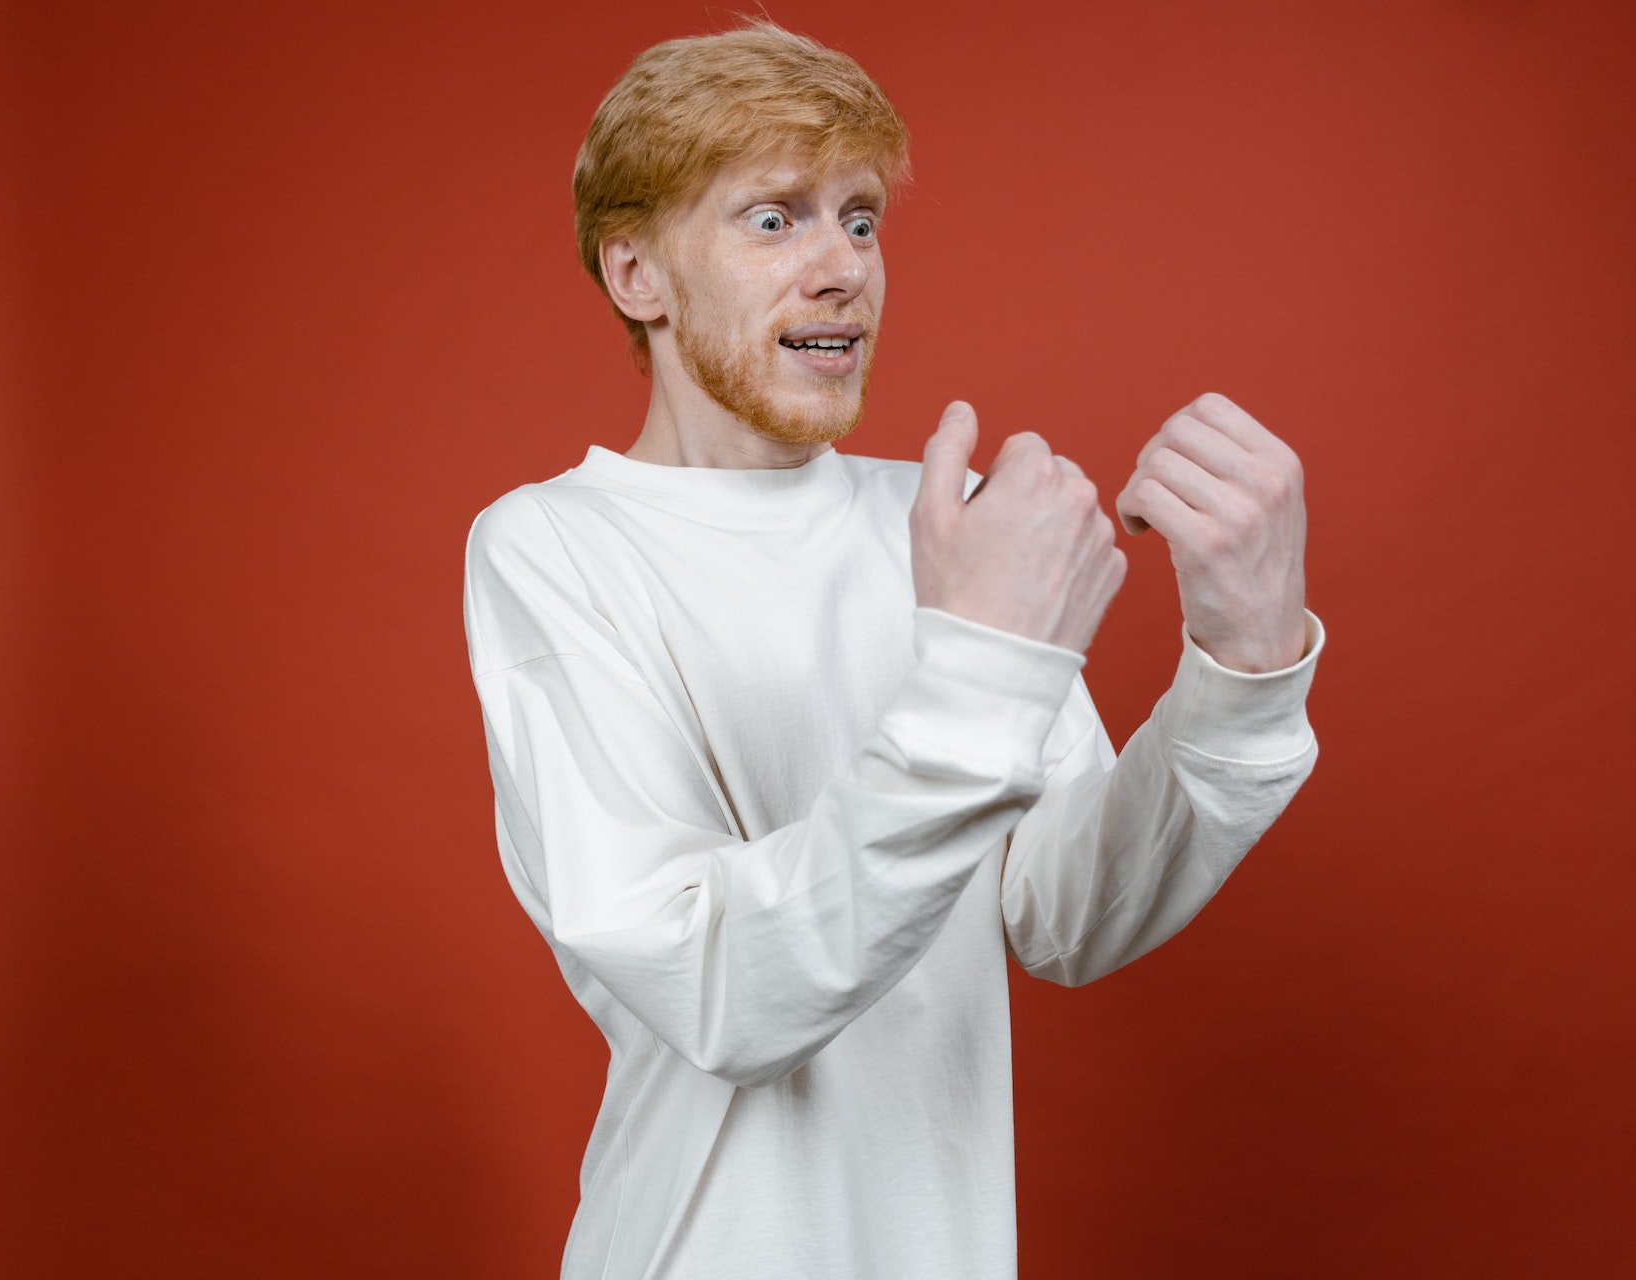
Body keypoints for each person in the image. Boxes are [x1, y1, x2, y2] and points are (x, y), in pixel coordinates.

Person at [463, 21, 1322, 1280]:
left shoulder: (932, 522)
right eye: (774, 218)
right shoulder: (552, 547)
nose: (842, 270)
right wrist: (983, 664)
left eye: (859, 219)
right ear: (638, 271)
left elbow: (1069, 910)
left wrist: (1242, 670)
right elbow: (716, 986)